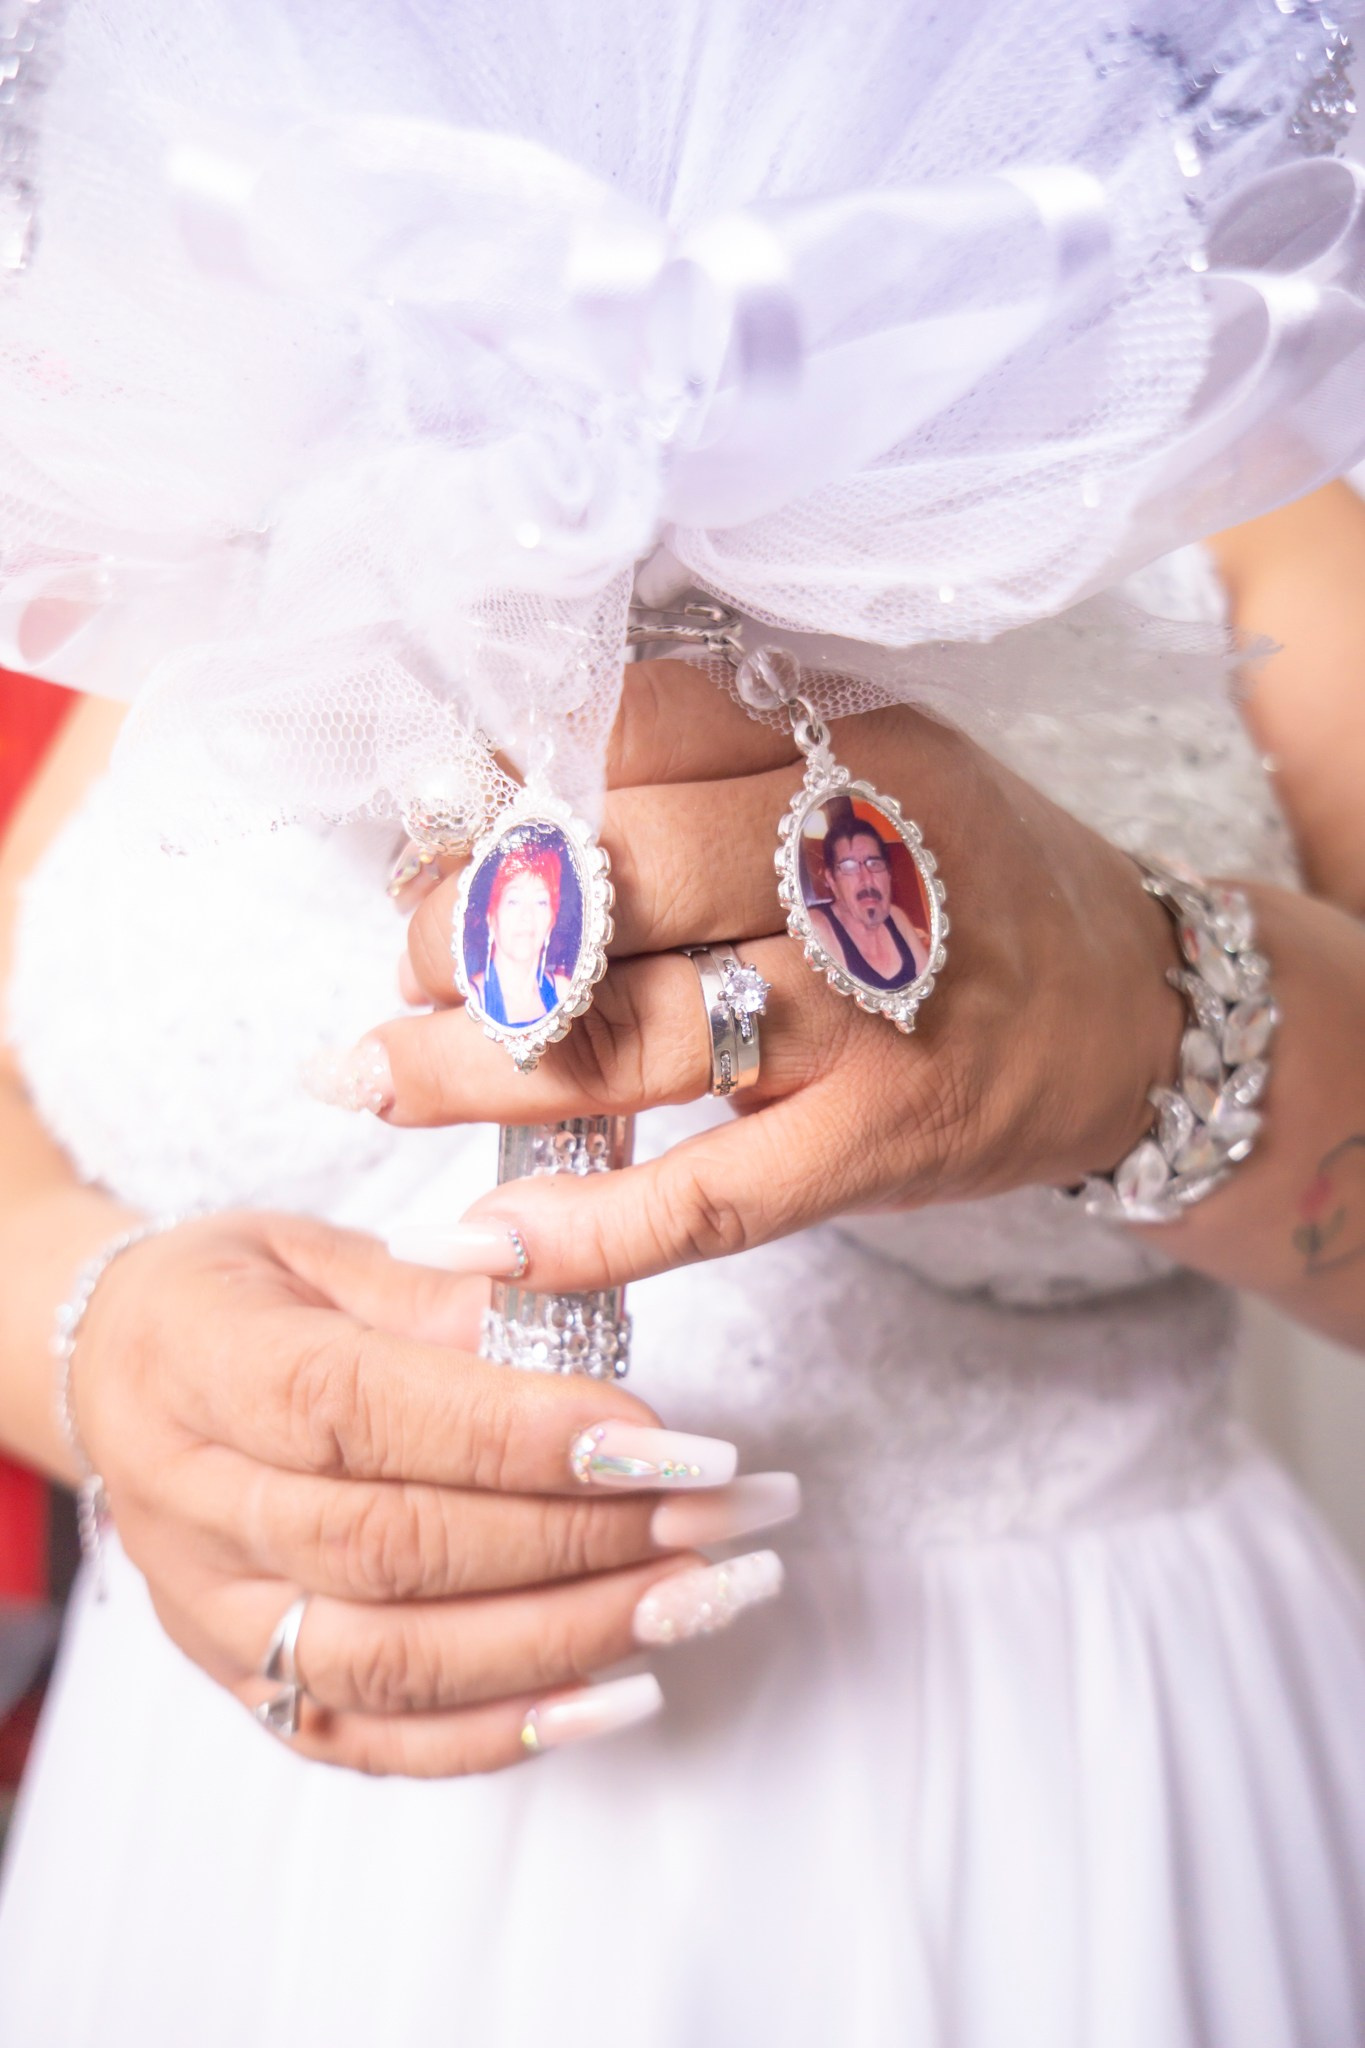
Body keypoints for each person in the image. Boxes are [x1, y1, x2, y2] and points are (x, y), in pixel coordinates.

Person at [1, 6, 1365, 2045]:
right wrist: (100, 1343)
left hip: (1038, 1843)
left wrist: (1153, 1021)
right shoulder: (208, 388)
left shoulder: (1220, 406)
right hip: (235, 1871)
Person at [807, 810, 928, 991]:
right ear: (832, 879)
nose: (867, 879)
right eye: (849, 867)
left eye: (874, 863)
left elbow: (929, 987)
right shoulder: (818, 926)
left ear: (888, 873)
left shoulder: (896, 917)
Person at [472, 841, 572, 1028]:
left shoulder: (563, 992)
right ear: (492, 917)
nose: (527, 916)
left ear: (551, 920)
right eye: (514, 901)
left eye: (541, 902)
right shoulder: (475, 1000)